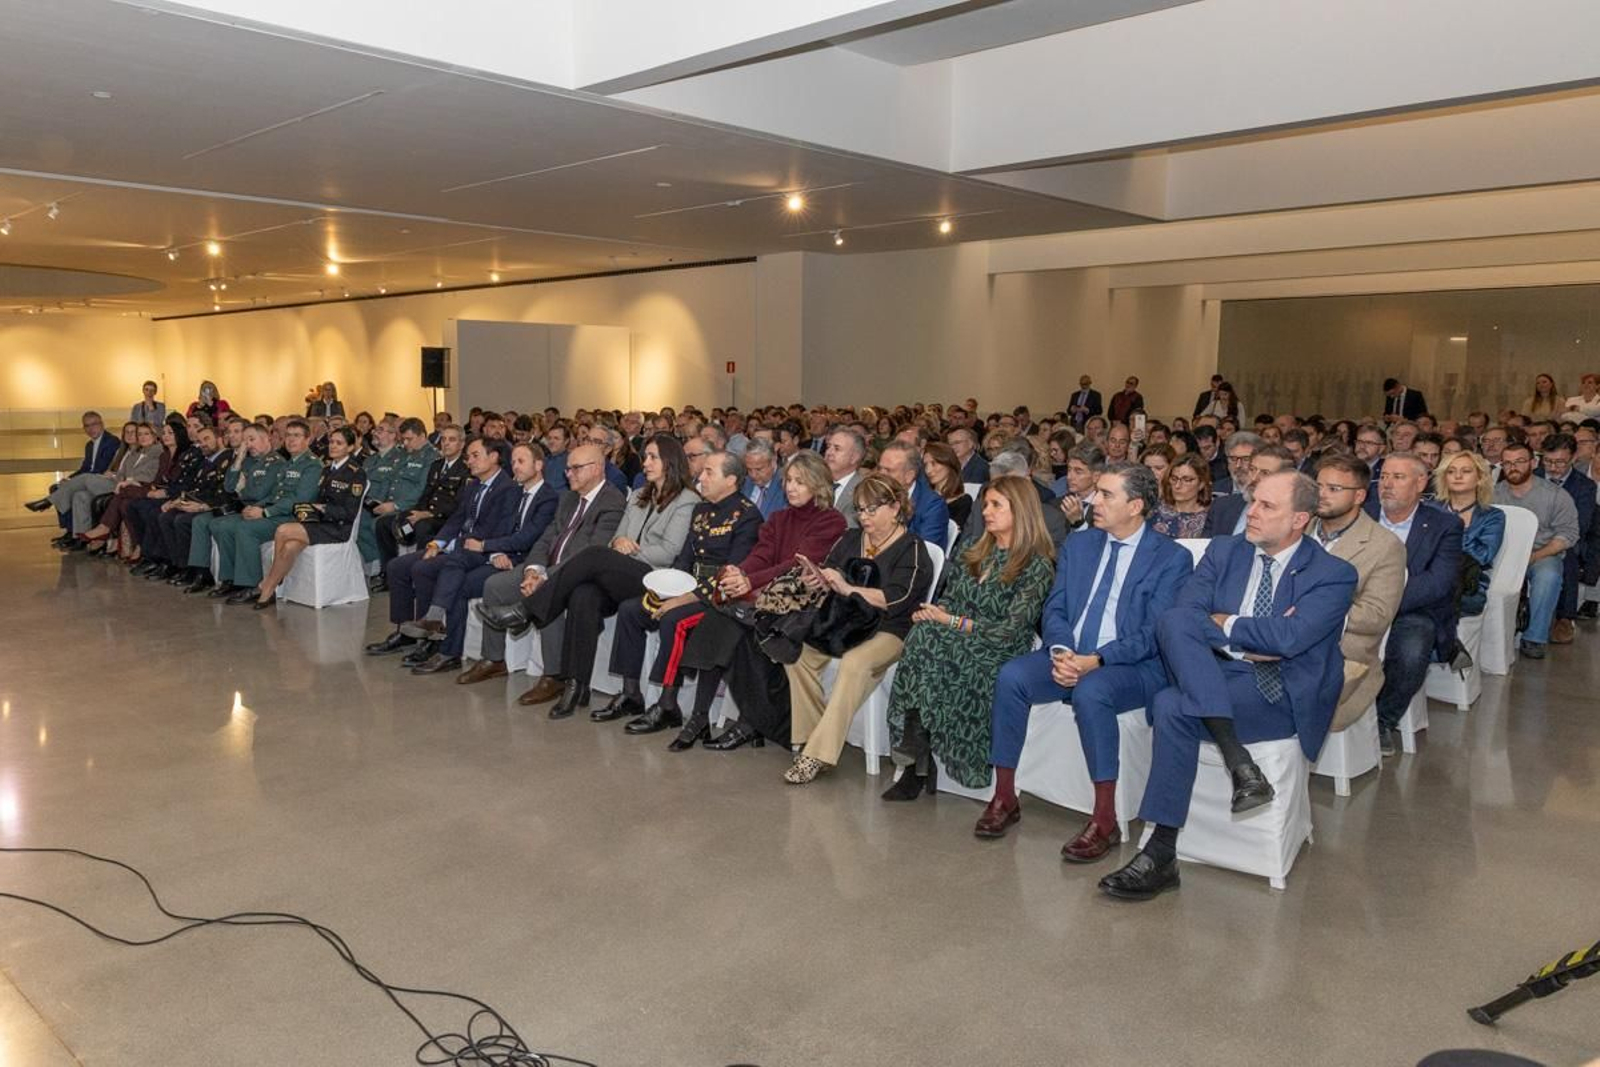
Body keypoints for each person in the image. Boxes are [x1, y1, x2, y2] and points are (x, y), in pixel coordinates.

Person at [1099, 472, 1356, 901]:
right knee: (1174, 623)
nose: (1250, 512)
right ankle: (1238, 764)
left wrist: (1226, 625)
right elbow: (1184, 614)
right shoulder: (1223, 551)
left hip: (1281, 690)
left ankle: (1161, 850)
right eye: (1253, 501)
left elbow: (1290, 641)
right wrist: (1253, 639)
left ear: (1300, 520)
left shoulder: (1334, 573)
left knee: (1170, 703)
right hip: (1215, 673)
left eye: (1267, 507)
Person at [977, 464, 1193, 854]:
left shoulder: (1170, 558)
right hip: (1070, 653)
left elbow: (1153, 634)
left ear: (1136, 506)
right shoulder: (1080, 545)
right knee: (1012, 676)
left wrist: (1096, 660)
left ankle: (1105, 819)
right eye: (1098, 492)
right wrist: (1061, 650)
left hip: (1133, 666)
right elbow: (1055, 607)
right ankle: (1005, 796)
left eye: (1107, 495)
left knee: (1091, 691)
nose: (1094, 501)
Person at [475, 437, 698, 719]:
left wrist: (628, 551)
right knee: (583, 596)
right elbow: (618, 536)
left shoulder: (687, 500)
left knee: (593, 554)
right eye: (646, 457)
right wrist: (620, 545)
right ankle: (576, 685)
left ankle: (524, 611)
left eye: (653, 457)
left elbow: (667, 552)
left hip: (655, 578)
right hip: (622, 571)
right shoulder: (641, 494)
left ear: (670, 461)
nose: (645, 463)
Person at [881, 476, 1054, 799]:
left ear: (1021, 510)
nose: (986, 511)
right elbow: (950, 600)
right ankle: (918, 759)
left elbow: (1010, 630)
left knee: (928, 642)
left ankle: (918, 762)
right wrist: (934, 613)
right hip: (954, 637)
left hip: (999, 648)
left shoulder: (1037, 565)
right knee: (924, 634)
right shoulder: (974, 552)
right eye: (985, 504)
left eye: (996, 505)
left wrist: (950, 621)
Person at [677, 451, 850, 752]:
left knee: (740, 628)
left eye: (800, 481)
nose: (791, 488)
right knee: (723, 619)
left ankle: (749, 721)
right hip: (768, 598)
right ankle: (708, 715)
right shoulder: (779, 518)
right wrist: (741, 571)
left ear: (818, 484)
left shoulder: (830, 521)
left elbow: (798, 565)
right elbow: (763, 554)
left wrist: (749, 580)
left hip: (802, 604)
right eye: (788, 481)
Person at [781, 474, 935, 785]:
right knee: (798, 654)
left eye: (871, 510)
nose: (864, 517)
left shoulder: (913, 550)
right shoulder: (852, 539)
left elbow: (896, 600)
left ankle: (817, 754)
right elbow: (831, 569)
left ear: (895, 507)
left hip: (891, 630)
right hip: (843, 623)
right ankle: (812, 736)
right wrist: (820, 578)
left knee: (854, 664)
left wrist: (848, 587)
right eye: (860, 510)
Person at [598, 451, 763, 740]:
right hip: (687, 587)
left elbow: (731, 572)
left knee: (674, 619)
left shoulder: (747, 516)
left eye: (710, 472)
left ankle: (667, 704)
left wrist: (684, 598)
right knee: (630, 610)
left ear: (732, 479)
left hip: (719, 597)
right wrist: (668, 590)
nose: (701, 477)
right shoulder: (701, 510)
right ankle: (631, 693)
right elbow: (685, 559)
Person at [456, 444, 628, 698]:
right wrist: (533, 569)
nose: (568, 474)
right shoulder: (568, 498)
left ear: (597, 468)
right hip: (546, 566)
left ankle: (554, 675)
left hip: (580, 575)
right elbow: (546, 539)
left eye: (576, 468)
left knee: (548, 594)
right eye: (568, 468)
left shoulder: (612, 501)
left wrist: (544, 576)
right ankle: (494, 660)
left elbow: (590, 553)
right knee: (495, 585)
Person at [371, 439, 535, 670]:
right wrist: (437, 543)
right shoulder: (473, 486)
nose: (469, 461)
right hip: (460, 546)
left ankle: (432, 637)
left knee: (423, 568)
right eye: (468, 456)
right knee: (397, 566)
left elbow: (497, 531)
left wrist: (452, 545)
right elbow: (456, 519)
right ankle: (406, 630)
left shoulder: (508, 489)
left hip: (478, 550)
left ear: (494, 457)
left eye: (475, 455)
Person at [1363, 452, 1463, 755]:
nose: (1387, 485)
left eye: (1398, 477)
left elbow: (1438, 582)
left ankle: (1383, 720)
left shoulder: (1444, 524)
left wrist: (1385, 603)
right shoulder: (1361, 513)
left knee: (1411, 649)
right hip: (1356, 604)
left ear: (1420, 482)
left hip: (1412, 609)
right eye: (1385, 477)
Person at [1310, 454, 1406, 736]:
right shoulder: (1297, 528)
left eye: (1334, 489)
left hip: (1342, 652)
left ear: (1359, 496)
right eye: (1318, 486)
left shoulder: (1384, 545)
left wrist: (1311, 611)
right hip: (1279, 638)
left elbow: (1376, 616)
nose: (1322, 495)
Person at [247, 427, 369, 609]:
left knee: (283, 530)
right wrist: (312, 509)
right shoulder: (327, 470)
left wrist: (324, 509)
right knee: (288, 547)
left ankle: (267, 586)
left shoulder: (355, 473)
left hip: (337, 528)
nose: (333, 446)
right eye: (331, 442)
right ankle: (271, 587)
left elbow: (349, 513)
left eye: (339, 443)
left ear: (350, 447)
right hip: (317, 523)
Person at [210, 419, 322, 603]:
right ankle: (232, 581)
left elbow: (299, 500)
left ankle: (252, 586)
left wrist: (265, 512)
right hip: (276, 512)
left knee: (245, 529)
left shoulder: (312, 465)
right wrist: (259, 507)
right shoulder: (289, 463)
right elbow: (275, 495)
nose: (291, 440)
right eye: (288, 435)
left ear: (308, 440)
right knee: (226, 526)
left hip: (292, 518)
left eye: (297, 436)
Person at [1493, 442, 1580, 660]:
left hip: (1541, 553)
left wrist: (1532, 557)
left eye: (1520, 461)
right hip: (1500, 554)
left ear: (1533, 463)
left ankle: (1534, 638)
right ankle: (1491, 633)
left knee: (1548, 575)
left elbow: (1568, 535)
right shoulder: (1493, 494)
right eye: (1508, 463)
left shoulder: (1555, 495)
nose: (1513, 467)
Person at [181, 424, 283, 595]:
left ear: (266, 440)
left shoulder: (276, 462)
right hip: (246, 507)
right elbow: (229, 486)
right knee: (218, 525)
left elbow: (260, 492)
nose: (248, 445)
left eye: (252, 440)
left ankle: (248, 583)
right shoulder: (248, 460)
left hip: (263, 509)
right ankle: (228, 579)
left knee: (232, 526)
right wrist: (239, 460)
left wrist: (243, 491)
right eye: (245, 441)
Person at [135, 423, 236, 584]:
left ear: (220, 439)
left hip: (213, 505)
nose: (203, 443)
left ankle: (199, 572)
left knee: (183, 520)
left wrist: (202, 506)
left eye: (207, 439)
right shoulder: (206, 461)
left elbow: (224, 492)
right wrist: (177, 501)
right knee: (165, 517)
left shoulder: (228, 458)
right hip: (197, 502)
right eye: (200, 440)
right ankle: (178, 565)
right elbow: (194, 487)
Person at [373, 426, 460, 582]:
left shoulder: (465, 468)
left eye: (451, 440)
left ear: (461, 444)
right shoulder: (437, 465)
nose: (446, 444)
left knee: (423, 526)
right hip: (425, 512)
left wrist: (428, 514)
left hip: (445, 517)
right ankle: (388, 574)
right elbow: (426, 494)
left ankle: (420, 574)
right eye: (443, 439)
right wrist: (414, 512)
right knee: (384, 523)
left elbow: (459, 502)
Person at [110, 420, 206, 561]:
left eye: (170, 433)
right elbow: (159, 480)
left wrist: (166, 493)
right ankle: (144, 550)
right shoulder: (165, 455)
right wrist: (155, 490)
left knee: (151, 510)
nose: (165, 436)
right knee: (133, 504)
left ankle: (157, 557)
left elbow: (185, 483)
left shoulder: (187, 454)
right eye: (164, 433)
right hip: (162, 491)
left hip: (176, 495)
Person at [60, 422, 162, 546]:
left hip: (142, 487)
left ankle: (104, 530)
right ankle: (80, 537)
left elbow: (149, 475)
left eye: (146, 434)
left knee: (88, 479)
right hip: (124, 486)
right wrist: (119, 478)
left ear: (155, 435)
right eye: (140, 434)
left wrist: (126, 480)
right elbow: (122, 473)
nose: (142, 437)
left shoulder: (157, 451)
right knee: (81, 495)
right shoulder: (135, 453)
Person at [1538, 433, 1595, 645]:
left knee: (1567, 556)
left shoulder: (1585, 486)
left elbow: (1580, 525)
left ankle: (1564, 617)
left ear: (1573, 458)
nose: (1553, 468)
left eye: (1560, 462)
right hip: (1532, 538)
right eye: (1548, 461)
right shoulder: (1531, 476)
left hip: (1566, 539)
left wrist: (1552, 540)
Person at [32, 412, 124, 543]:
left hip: (104, 481)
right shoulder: (90, 445)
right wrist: (70, 479)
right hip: (89, 482)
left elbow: (101, 469)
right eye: (87, 426)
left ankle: (48, 501)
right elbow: (85, 468)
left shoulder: (111, 441)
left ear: (102, 424)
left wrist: (75, 480)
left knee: (83, 479)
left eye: (94, 424)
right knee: (73, 493)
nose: (91, 429)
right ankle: (75, 534)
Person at [1436, 451, 1505, 618]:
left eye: (1466, 471)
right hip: (1428, 578)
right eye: (1451, 472)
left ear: (1480, 478)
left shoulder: (1492, 516)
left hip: (1469, 586)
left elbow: (1483, 556)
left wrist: (1455, 530)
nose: (1457, 476)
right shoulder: (1431, 509)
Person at [1204, 439, 1286, 536]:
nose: (1254, 478)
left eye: (1265, 473)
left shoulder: (1288, 515)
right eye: (1252, 469)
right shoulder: (1221, 507)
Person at [1152, 452, 1211, 539]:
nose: (1177, 486)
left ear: (1201, 484)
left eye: (1187, 480)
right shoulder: (1155, 510)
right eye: (1174, 479)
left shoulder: (1211, 516)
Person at [921, 441, 973, 529]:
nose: (928, 470)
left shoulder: (963, 502)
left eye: (934, 464)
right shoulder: (922, 497)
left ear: (948, 463)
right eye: (925, 465)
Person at [823, 428, 867, 528]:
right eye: (828, 447)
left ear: (854, 458)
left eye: (837, 449)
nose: (829, 453)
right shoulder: (815, 482)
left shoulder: (863, 490)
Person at [740, 438, 786, 521]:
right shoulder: (743, 484)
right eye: (749, 469)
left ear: (773, 461)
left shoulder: (786, 485)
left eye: (759, 469)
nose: (753, 475)